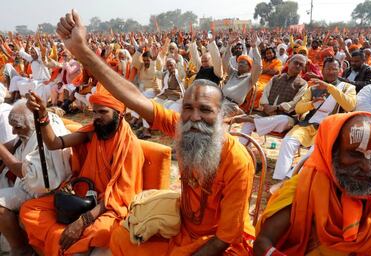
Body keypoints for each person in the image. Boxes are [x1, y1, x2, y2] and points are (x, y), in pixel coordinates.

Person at [55, 10, 255, 255]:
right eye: (188, 108)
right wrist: (83, 52)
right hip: (183, 228)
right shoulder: (184, 128)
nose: (194, 117)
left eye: (205, 110)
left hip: (219, 244)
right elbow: (136, 98)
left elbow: (224, 239)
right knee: (120, 238)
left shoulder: (237, 161)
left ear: (222, 115)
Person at [253, 112, 371, 255]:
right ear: (331, 152)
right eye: (355, 154)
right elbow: (263, 243)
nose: (367, 166)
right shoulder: (305, 189)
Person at [20, 89, 145, 255]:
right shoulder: (92, 132)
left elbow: (119, 197)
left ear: (120, 114)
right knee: (29, 209)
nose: (97, 117)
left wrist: (83, 221)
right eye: (95, 112)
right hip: (84, 196)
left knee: (99, 231)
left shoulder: (130, 147)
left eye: (103, 112)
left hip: (109, 208)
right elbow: (53, 143)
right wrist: (42, 114)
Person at [0, 99, 71, 255]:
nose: (13, 132)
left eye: (17, 127)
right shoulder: (30, 126)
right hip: (28, 185)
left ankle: (22, 249)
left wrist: (1, 152)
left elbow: (34, 180)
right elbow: (14, 143)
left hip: (44, 191)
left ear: (33, 122)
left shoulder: (47, 135)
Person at [273, 57, 356, 180]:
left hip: (330, 128)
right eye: (328, 69)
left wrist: (329, 88)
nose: (331, 71)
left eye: (334, 69)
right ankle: (280, 178)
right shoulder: (313, 87)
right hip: (308, 125)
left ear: (340, 71)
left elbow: (350, 105)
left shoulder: (347, 87)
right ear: (322, 70)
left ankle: (292, 179)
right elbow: (299, 109)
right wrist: (312, 103)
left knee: (315, 150)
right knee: (288, 142)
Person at [237, 54, 307, 144]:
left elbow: (295, 103)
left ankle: (254, 120)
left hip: (285, 118)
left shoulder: (303, 84)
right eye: (296, 63)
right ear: (288, 63)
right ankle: (244, 148)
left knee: (283, 120)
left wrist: (276, 108)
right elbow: (265, 94)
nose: (298, 66)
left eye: (301, 65)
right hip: (267, 114)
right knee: (247, 125)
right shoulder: (275, 78)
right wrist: (266, 107)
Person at [222, 33, 262, 110]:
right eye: (239, 62)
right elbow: (225, 61)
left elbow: (258, 66)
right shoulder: (233, 72)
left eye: (243, 62)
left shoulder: (251, 78)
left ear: (249, 67)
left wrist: (254, 47)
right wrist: (229, 45)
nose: (240, 64)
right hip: (220, 100)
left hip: (231, 106)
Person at [242, 46, 282, 111]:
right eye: (267, 53)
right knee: (248, 86)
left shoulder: (277, 62)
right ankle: (246, 104)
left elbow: (274, 72)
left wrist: (263, 70)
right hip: (258, 78)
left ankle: (253, 105)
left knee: (258, 90)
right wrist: (268, 69)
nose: (268, 55)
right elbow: (258, 70)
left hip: (268, 81)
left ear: (274, 54)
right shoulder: (263, 61)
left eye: (270, 53)